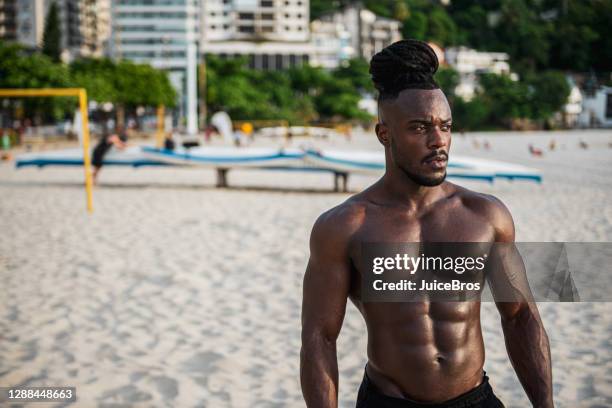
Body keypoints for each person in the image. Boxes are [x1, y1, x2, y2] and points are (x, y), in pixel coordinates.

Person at [300, 40, 553, 408]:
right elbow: (319, 338)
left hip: (473, 400)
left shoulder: (485, 216)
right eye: (419, 128)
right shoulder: (345, 227)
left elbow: (520, 317)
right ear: (384, 134)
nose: (438, 141)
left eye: (445, 127)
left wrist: (546, 405)